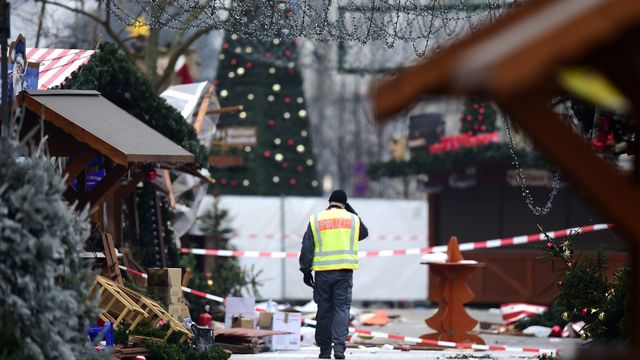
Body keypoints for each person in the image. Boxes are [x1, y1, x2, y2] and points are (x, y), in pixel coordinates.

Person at [299, 190, 368, 359]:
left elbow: (307, 246)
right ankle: (339, 348)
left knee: (324, 310)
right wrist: (350, 210)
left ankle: (324, 350)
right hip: (344, 272)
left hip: (322, 273)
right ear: (345, 203)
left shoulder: (316, 219)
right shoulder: (353, 219)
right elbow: (364, 233)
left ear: (329, 202)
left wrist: (306, 270)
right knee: (341, 308)